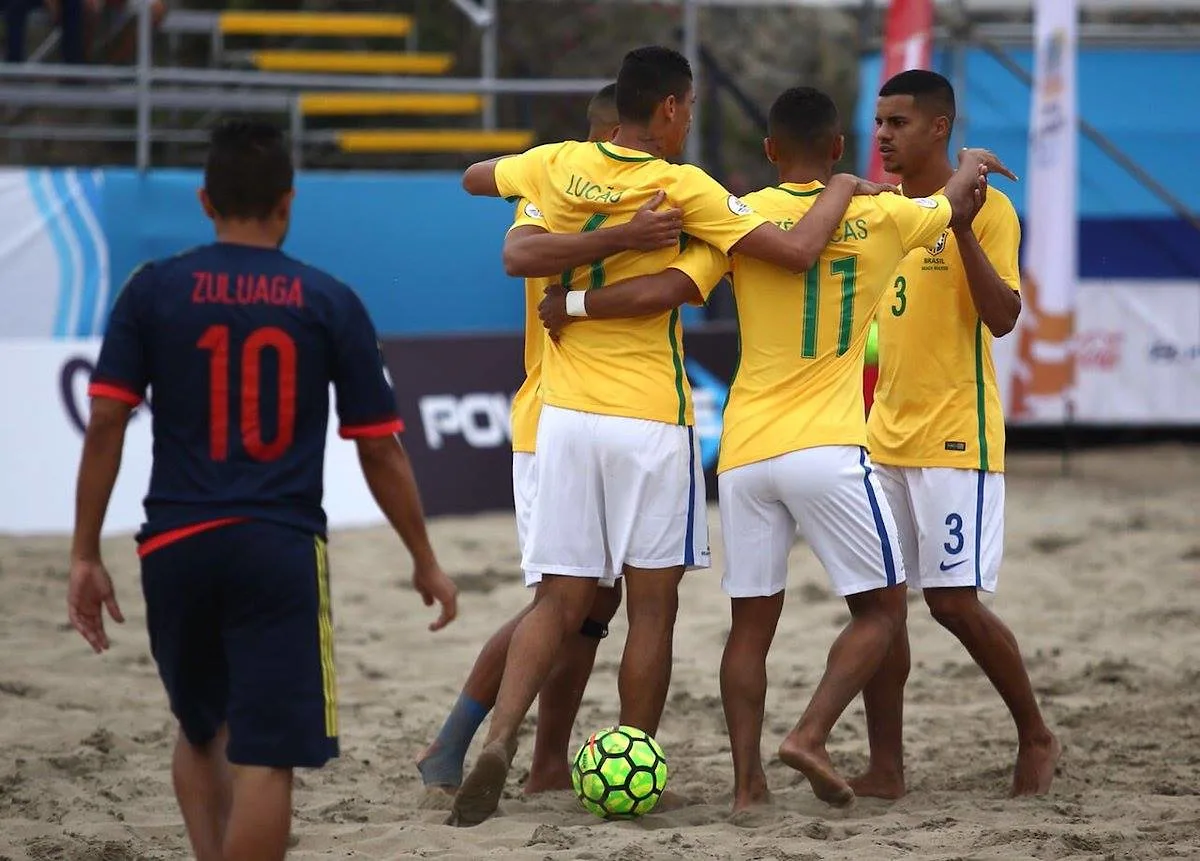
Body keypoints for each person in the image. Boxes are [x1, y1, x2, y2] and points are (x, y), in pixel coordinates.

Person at [449, 45, 892, 827]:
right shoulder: (685, 189)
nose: (688, 121)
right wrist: (847, 186)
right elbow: (792, 249)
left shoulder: (554, 163)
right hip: (650, 416)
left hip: (565, 418)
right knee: (652, 609)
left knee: (557, 598)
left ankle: (503, 737)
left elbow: (476, 179)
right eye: (686, 108)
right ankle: (632, 762)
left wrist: (539, 190)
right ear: (669, 109)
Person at [537, 87, 1004, 810]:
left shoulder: (740, 215)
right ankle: (811, 732)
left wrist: (572, 304)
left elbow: (665, 289)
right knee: (882, 612)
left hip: (748, 451)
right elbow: (954, 199)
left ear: (768, 151)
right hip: (829, 445)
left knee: (749, 626)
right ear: (840, 149)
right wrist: (972, 158)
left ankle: (747, 786)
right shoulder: (880, 211)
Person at [66, 119, 458, 861]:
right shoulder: (328, 299)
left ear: (205, 199)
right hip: (278, 546)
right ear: (288, 202)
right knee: (265, 755)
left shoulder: (152, 291)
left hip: (175, 541)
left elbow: (106, 423)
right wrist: (423, 556)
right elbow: (379, 448)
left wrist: (84, 552)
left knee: (199, 728)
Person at [417, 84, 684, 798]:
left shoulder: (544, 178)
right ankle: (456, 740)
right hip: (566, 410)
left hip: (554, 414)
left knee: (587, 606)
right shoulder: (642, 192)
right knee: (562, 602)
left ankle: (541, 763)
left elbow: (475, 175)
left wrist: (526, 164)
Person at [853, 69, 1061, 800]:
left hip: (955, 435)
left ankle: (1035, 731)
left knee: (952, 602)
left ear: (939, 128)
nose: (883, 134)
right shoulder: (877, 211)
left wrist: (962, 225)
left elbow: (1004, 317)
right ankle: (886, 766)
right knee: (879, 607)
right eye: (879, 121)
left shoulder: (992, 209)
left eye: (898, 122)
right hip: (881, 436)